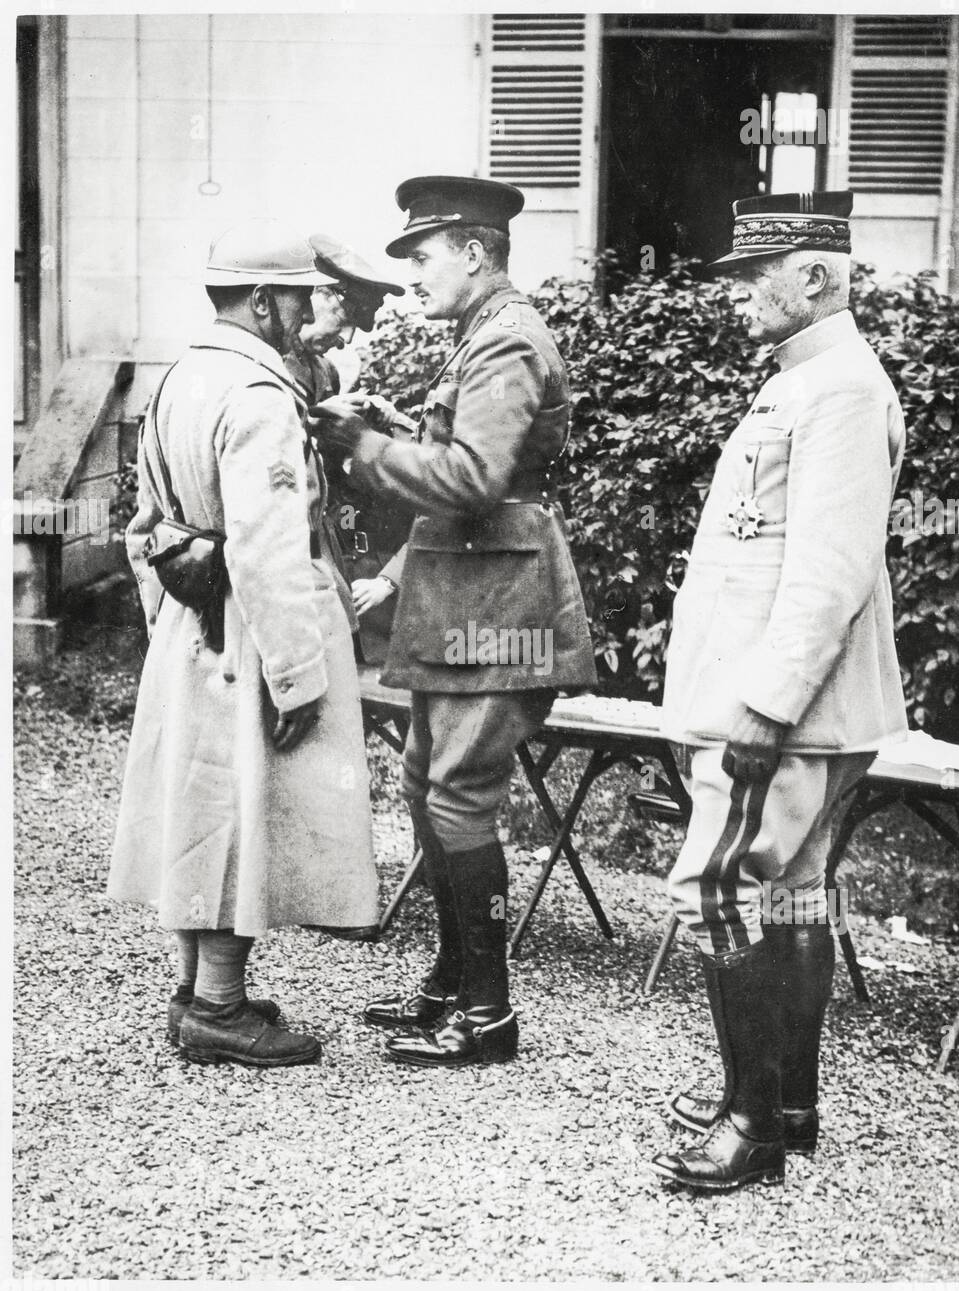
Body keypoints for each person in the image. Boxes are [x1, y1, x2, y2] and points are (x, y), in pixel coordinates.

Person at [652, 192, 907, 1191]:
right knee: (792, 890)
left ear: (813, 276)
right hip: (801, 702)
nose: (733, 296)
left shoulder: (835, 386)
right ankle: (786, 1103)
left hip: (784, 705)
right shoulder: (809, 379)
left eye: (749, 276)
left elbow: (829, 571)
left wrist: (763, 705)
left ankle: (750, 1123)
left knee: (717, 885)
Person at [313, 175, 597, 1068]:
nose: (416, 275)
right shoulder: (483, 333)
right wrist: (401, 428)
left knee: (460, 796)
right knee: (427, 781)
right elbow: (473, 457)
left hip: (502, 603)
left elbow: (476, 481)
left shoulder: (507, 340)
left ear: (475, 253)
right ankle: (448, 983)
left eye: (424, 256)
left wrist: (363, 447)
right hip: (468, 595)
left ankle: (487, 1013)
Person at [107, 220, 379, 1067]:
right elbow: (269, 549)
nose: (307, 312)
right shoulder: (258, 397)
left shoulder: (182, 377)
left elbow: (146, 526)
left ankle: (197, 991)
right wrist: (296, 675)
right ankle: (220, 1008)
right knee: (241, 808)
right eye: (299, 297)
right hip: (253, 634)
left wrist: (168, 619)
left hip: (195, 628)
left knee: (201, 802)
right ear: (262, 301)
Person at [285, 236, 415, 667]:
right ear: (316, 295)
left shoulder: (321, 370)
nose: (345, 340)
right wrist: (312, 418)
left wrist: (364, 426)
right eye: (344, 320)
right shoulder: (263, 363)